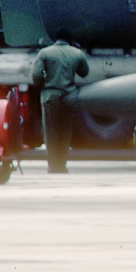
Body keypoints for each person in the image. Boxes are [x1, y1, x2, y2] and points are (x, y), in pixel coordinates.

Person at [30, 29, 88, 173]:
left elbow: (35, 75)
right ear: (69, 40)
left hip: (50, 95)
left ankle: (53, 166)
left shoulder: (45, 53)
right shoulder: (77, 53)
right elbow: (84, 73)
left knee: (51, 132)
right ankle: (62, 165)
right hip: (69, 95)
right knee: (65, 131)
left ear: (56, 39)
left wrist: (42, 84)